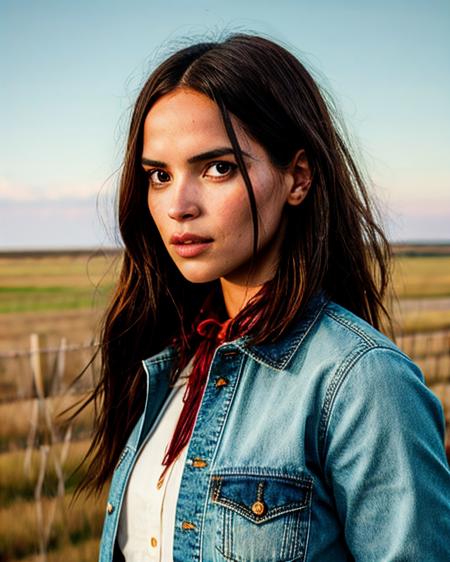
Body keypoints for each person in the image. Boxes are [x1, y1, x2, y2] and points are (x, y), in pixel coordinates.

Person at [83, 34, 450, 561]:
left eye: (218, 167)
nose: (178, 205)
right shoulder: (171, 362)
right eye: (159, 175)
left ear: (297, 178)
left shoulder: (363, 383)